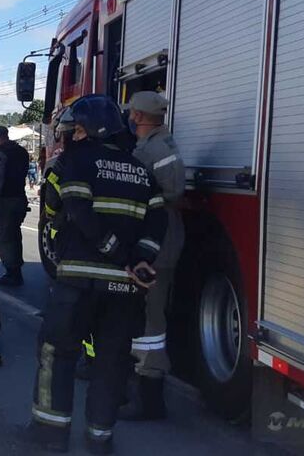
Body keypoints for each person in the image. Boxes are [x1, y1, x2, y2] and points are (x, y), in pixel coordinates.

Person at [28, 95, 167, 454]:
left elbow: (68, 209)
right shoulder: (140, 170)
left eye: (75, 129)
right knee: (111, 365)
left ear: (89, 130)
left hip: (77, 282)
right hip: (125, 289)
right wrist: (139, 261)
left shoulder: (73, 162)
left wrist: (115, 252)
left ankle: (50, 436)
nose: (70, 136)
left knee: (57, 354)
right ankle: (100, 440)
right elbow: (157, 222)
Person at [120, 91, 185, 421]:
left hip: (157, 246)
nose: (129, 118)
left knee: (151, 321)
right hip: (155, 241)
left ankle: (150, 400)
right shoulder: (154, 145)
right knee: (144, 316)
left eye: (131, 113)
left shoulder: (157, 149)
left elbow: (169, 192)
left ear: (138, 116)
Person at [0, 128, 30, 286]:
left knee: (4, 238)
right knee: (15, 236)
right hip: (20, 198)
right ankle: (15, 270)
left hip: (6, 201)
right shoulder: (22, 152)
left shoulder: (1, 155)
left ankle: (12, 273)